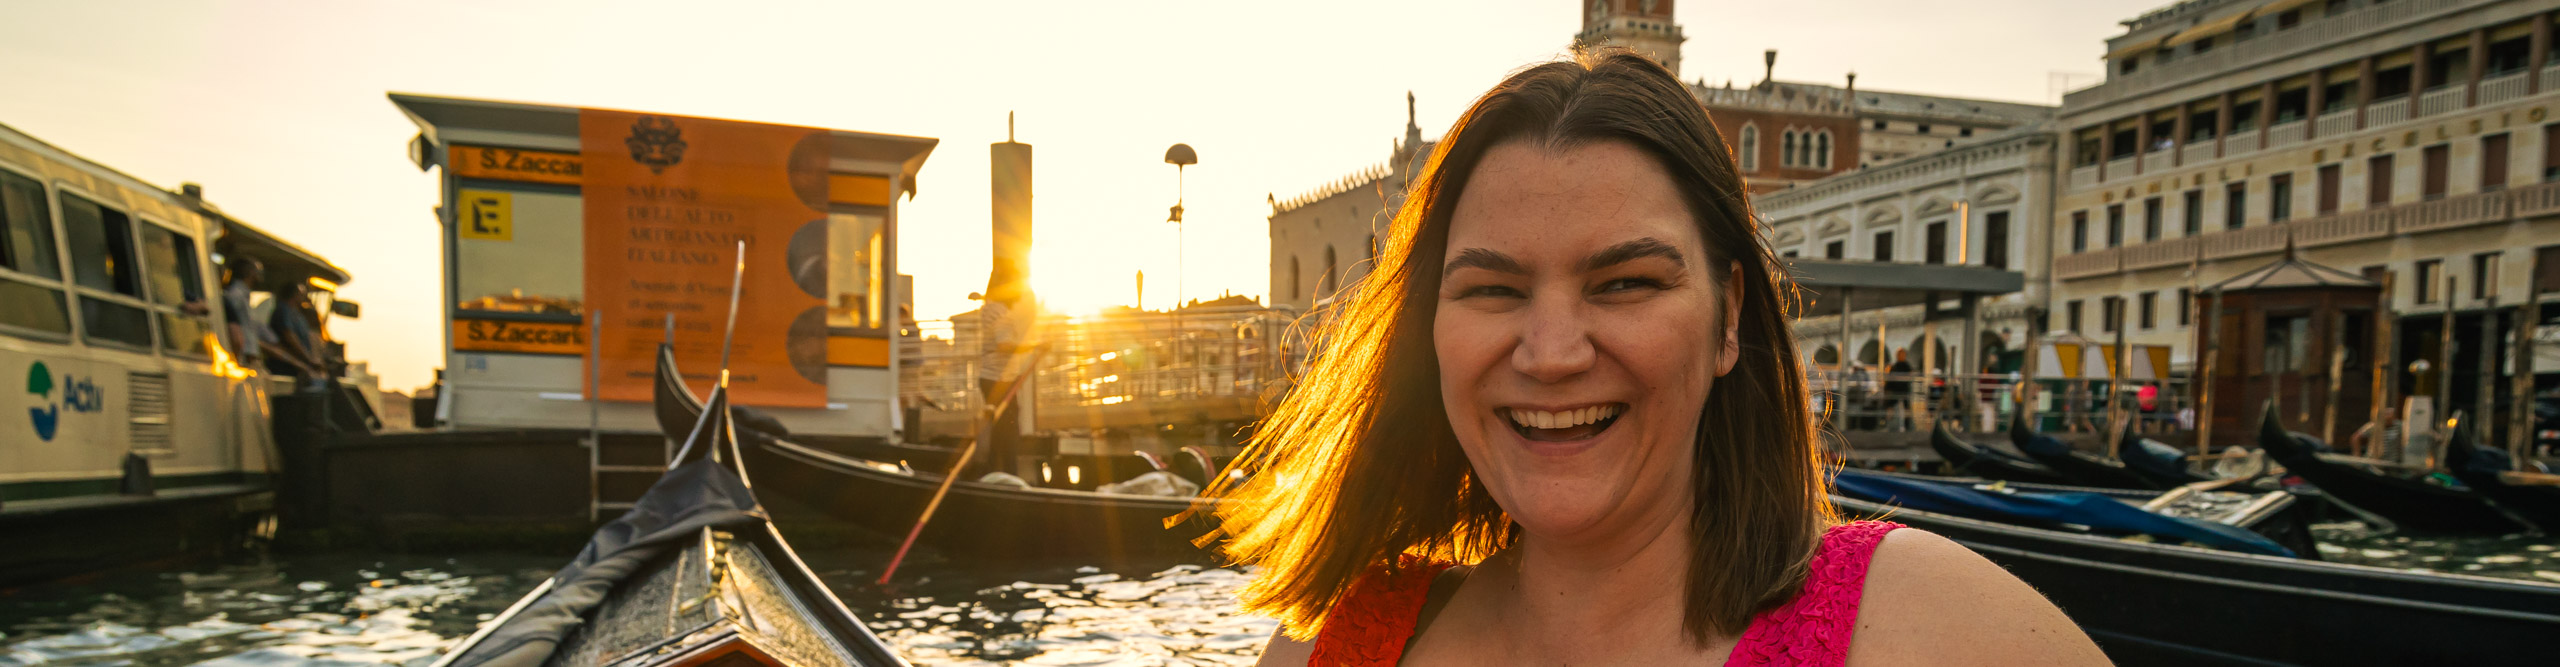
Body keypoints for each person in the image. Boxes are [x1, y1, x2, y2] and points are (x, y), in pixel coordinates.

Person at [1216, 52, 2105, 666]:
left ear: (1728, 322)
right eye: (1493, 290)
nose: (1553, 353)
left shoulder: (1929, 627)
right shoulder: (1330, 644)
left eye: (1627, 283)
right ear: (1429, 333)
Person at [220, 258, 268, 371]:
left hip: (246, 357)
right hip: (241, 358)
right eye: (258, 271)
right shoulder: (235, 295)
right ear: (249, 272)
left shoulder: (244, 296)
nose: (260, 275)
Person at [1884, 349, 1914, 431]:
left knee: (1906, 408)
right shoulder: (1894, 366)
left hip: (1904, 390)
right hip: (1895, 390)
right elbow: (1890, 380)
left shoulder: (1906, 366)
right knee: (1890, 407)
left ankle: (1907, 426)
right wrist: (1887, 389)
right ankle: (1888, 425)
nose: (1902, 356)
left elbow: (1910, 375)